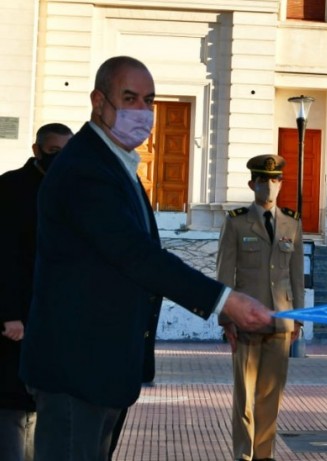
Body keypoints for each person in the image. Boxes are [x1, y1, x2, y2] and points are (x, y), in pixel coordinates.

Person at [19, 55, 273, 461]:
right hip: (76, 370)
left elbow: (137, 259)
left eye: (149, 100)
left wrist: (222, 306)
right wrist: (224, 301)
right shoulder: (86, 167)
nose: (142, 112)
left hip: (102, 369)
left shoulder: (115, 162)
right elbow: (135, 255)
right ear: (98, 101)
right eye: (130, 98)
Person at [216, 154, 305, 461]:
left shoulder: (291, 222)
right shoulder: (237, 221)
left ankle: (264, 455)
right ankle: (244, 454)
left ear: (281, 183)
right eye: (264, 180)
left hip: (280, 321)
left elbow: (295, 274)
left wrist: (298, 319)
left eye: (275, 180)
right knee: (245, 398)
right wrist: (226, 319)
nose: (270, 186)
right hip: (245, 322)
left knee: (270, 396)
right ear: (252, 183)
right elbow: (225, 273)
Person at [0, 123, 73, 461]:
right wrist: (9, 314)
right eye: (53, 152)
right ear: (37, 150)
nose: (59, 159)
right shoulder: (11, 187)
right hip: (16, 321)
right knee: (12, 407)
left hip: (52, 317)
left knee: (42, 405)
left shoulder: (70, 188)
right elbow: (4, 255)